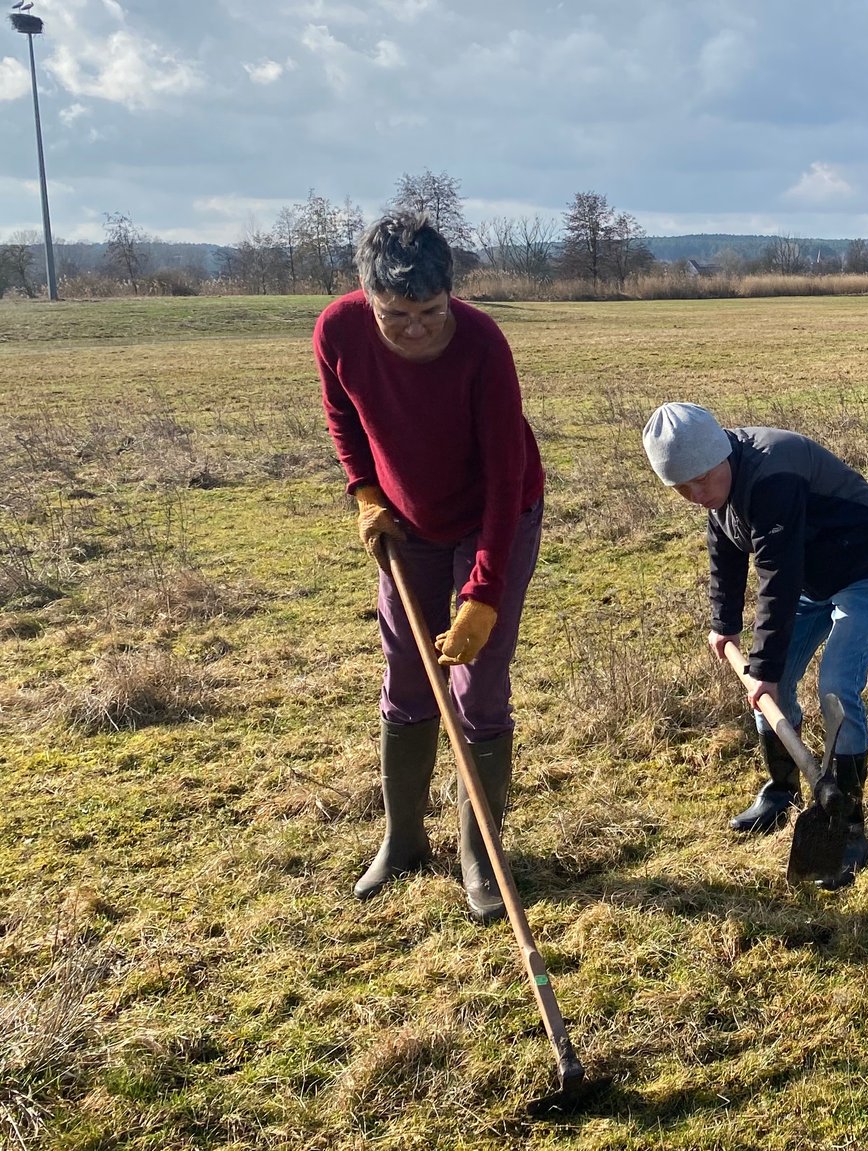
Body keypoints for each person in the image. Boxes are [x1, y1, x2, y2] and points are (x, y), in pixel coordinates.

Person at [316, 211, 545, 922]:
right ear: (365, 296)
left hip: (493, 513)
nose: (414, 329)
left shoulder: (482, 346)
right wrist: (364, 491)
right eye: (396, 315)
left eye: (429, 313)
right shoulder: (338, 331)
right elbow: (342, 417)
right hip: (406, 521)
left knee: (480, 686)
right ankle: (405, 840)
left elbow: (506, 479)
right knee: (407, 673)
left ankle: (481, 853)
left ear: (452, 296)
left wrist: (482, 595)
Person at [642, 403, 868, 890]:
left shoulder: (774, 471)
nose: (697, 494)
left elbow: (777, 578)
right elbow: (725, 548)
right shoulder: (718, 485)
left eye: (702, 480)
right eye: (682, 488)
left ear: (721, 453)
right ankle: (783, 788)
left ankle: (848, 822)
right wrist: (725, 626)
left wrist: (762, 665)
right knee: (774, 687)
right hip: (814, 576)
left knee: (836, 685)